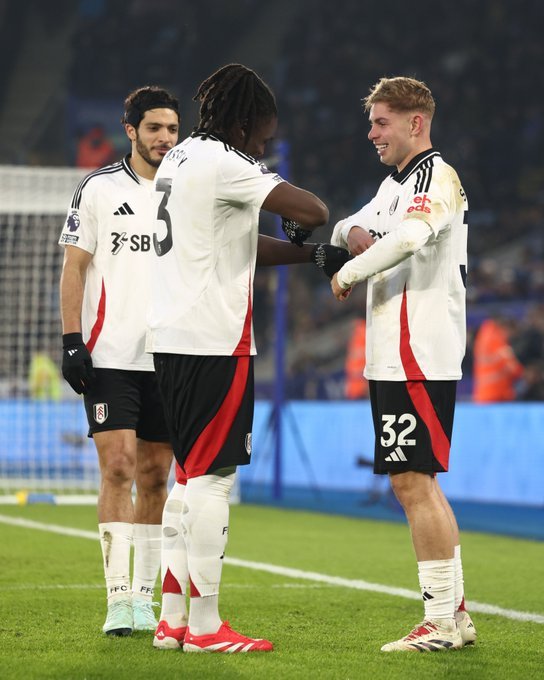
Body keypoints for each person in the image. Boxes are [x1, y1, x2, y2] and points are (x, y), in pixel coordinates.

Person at [146, 63, 330, 653]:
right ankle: (205, 627)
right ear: (247, 123)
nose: (267, 145)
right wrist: (304, 228)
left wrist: (308, 258)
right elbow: (313, 210)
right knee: (214, 482)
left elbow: (235, 244)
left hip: (172, 338)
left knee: (187, 477)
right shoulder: (230, 162)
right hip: (214, 341)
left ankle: (172, 619)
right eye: (265, 134)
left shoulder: (178, 161)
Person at [330, 76, 476, 652]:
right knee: (417, 482)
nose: (371, 133)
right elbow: (346, 226)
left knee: (413, 482)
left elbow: (413, 237)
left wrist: (349, 270)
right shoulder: (395, 184)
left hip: (419, 354)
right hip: (394, 355)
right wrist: (358, 233)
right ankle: (454, 616)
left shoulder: (435, 177)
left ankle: (440, 621)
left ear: (416, 123)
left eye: (381, 122)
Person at [59, 86, 180, 637]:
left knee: (158, 475)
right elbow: (75, 269)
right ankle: (115, 600)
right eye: (155, 128)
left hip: (172, 355)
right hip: (110, 355)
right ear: (130, 130)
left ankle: (142, 597)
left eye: (173, 129)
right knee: (119, 468)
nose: (165, 139)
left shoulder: (186, 191)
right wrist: (71, 339)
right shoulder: (99, 189)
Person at [472, 316, 524, 402]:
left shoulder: (483, 336)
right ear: (506, 328)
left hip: (482, 394)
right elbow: (515, 370)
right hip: (498, 395)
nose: (510, 336)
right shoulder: (500, 345)